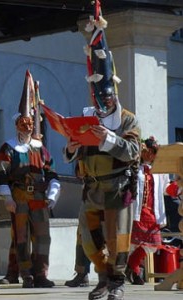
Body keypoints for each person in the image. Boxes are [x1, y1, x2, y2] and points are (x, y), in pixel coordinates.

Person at [64, 1, 141, 298]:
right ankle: (101, 277)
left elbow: (132, 151)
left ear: (115, 93)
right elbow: (75, 154)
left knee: (117, 238)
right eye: (100, 97)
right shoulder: (88, 118)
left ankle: (117, 283)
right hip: (92, 190)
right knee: (90, 240)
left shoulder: (127, 119)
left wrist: (108, 138)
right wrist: (71, 147)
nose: (104, 102)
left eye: (108, 97)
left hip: (118, 187)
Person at [0, 70, 61, 289]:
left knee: (43, 238)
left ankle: (41, 273)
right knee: (21, 238)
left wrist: (52, 195)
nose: (28, 126)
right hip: (20, 196)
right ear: (17, 125)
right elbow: (2, 174)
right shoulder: (8, 148)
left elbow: (52, 173)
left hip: (40, 198)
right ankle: (27, 276)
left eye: (31, 123)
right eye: (24, 123)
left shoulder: (41, 149)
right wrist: (7, 198)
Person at [125, 137, 168, 285]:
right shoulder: (133, 167)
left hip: (153, 212)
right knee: (130, 243)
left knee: (154, 244)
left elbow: (166, 188)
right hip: (137, 210)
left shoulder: (160, 170)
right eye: (150, 151)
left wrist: (178, 188)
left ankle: (132, 264)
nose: (152, 154)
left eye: (154, 152)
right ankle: (134, 270)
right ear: (143, 151)